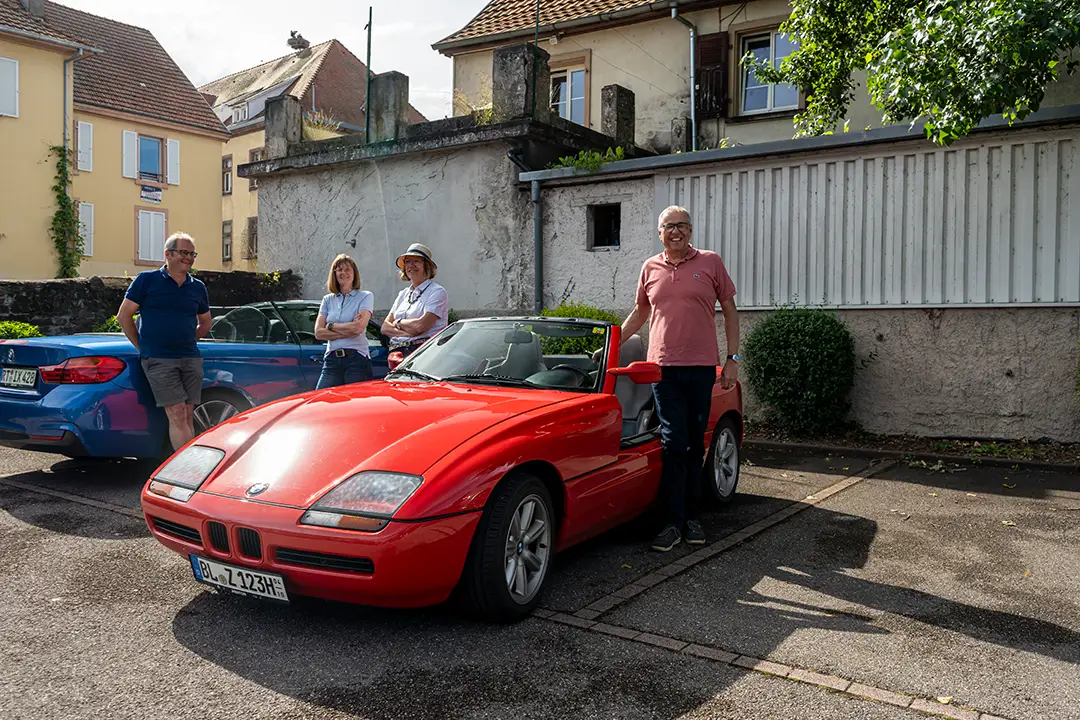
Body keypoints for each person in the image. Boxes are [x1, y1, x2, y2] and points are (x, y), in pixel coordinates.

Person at [613, 205, 740, 552]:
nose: (676, 232)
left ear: (691, 230)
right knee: (672, 443)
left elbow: (729, 309)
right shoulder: (649, 267)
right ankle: (672, 522)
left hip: (701, 369)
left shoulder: (710, 262)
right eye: (669, 227)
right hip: (663, 370)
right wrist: (612, 345)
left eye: (682, 226)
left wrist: (733, 359)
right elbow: (640, 311)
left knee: (694, 444)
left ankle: (692, 518)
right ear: (660, 233)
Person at [116, 232, 211, 453]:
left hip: (189, 357)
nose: (188, 258)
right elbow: (124, 315)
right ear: (168, 254)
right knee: (177, 412)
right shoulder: (147, 280)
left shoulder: (197, 287)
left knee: (188, 413)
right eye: (183, 253)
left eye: (192, 254)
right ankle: (188, 468)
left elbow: (205, 323)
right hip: (159, 358)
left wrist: (188, 338)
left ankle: (188, 466)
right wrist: (142, 346)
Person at [314, 254, 375, 389]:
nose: (344, 273)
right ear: (334, 274)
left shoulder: (365, 296)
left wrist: (330, 326)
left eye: (348, 269)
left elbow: (358, 328)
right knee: (322, 401)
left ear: (354, 273)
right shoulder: (327, 300)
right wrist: (348, 330)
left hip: (356, 359)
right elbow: (318, 333)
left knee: (354, 405)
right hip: (331, 360)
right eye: (340, 269)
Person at [381, 243, 449, 359]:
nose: (411, 265)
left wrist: (398, 322)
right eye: (407, 261)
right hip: (396, 353)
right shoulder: (403, 294)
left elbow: (420, 326)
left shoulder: (437, 291)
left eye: (416, 261)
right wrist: (410, 334)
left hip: (423, 352)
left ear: (426, 266)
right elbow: (385, 328)